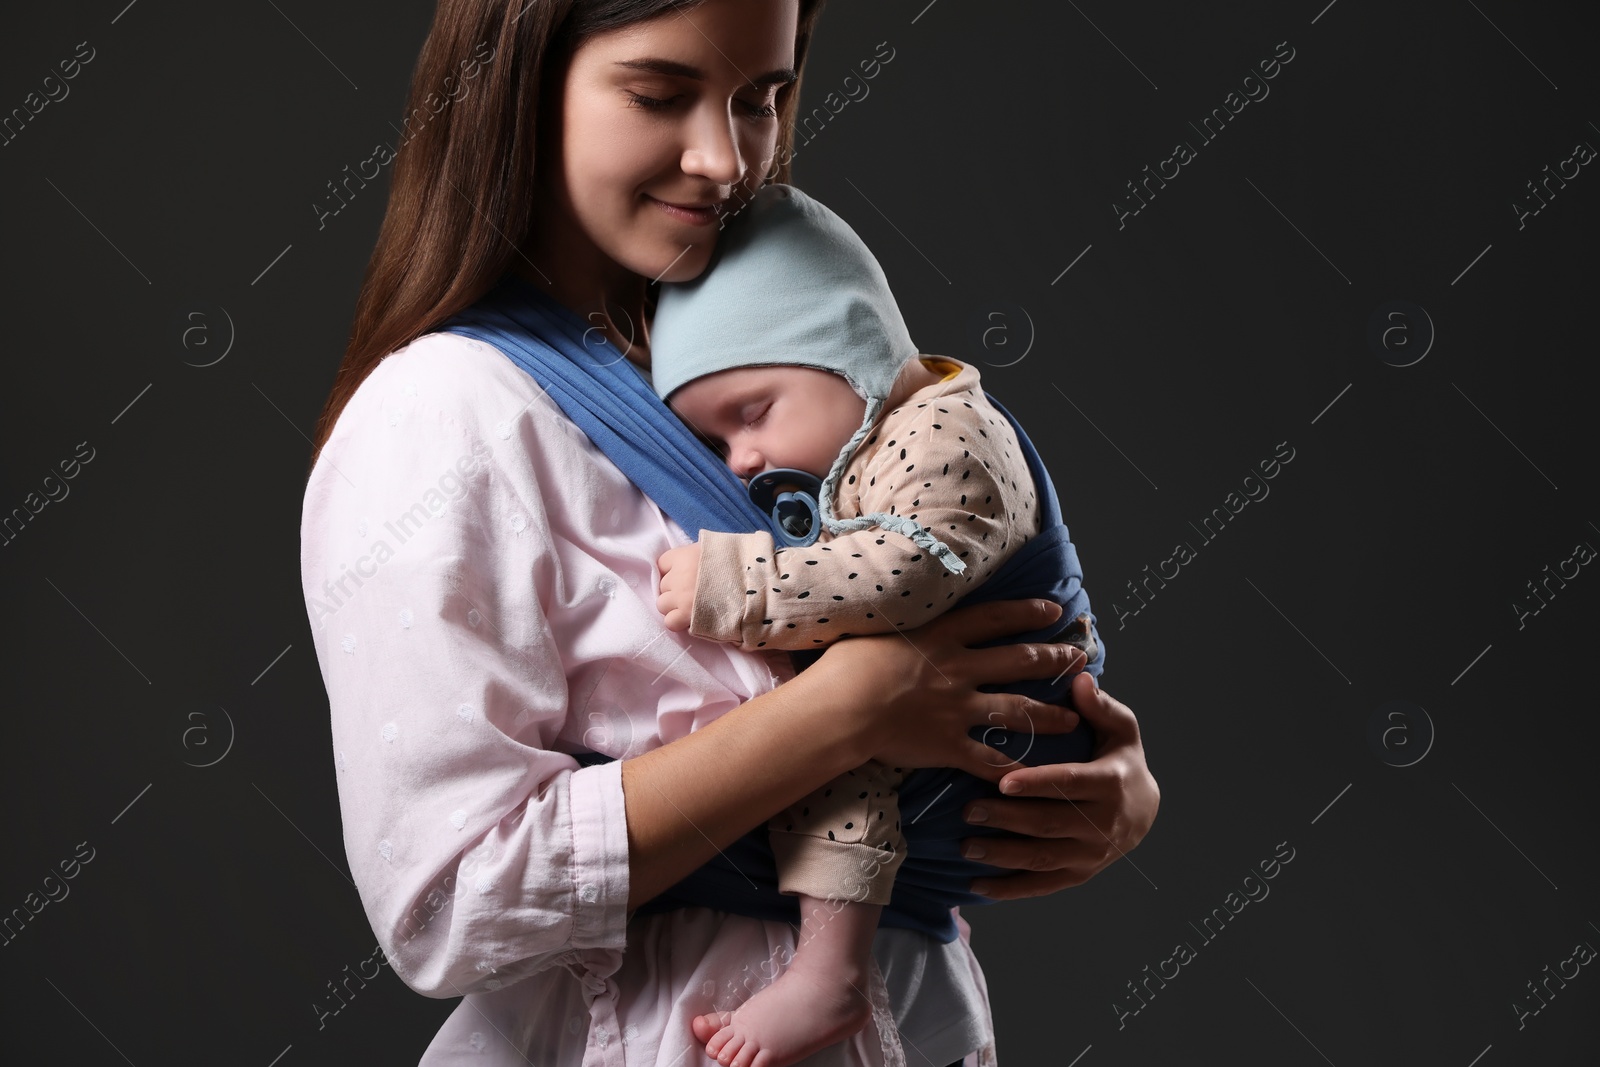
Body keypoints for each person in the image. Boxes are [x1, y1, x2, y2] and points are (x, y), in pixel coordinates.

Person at [299, 2, 1159, 1064]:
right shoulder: (443, 414)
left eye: (761, 97)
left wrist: (1089, 780)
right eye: (660, 93)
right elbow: (446, 904)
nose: (725, 157)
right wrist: (846, 709)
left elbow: (938, 609)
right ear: (515, 86)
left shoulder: (742, 359)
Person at [648, 183, 1101, 1067]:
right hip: (975, 706)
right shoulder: (874, 441)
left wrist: (740, 586)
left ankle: (831, 973)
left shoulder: (945, 434)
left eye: (751, 412)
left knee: (828, 746)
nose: (742, 460)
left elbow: (905, 573)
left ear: (846, 349)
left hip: (1021, 710)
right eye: (714, 442)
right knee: (820, 732)